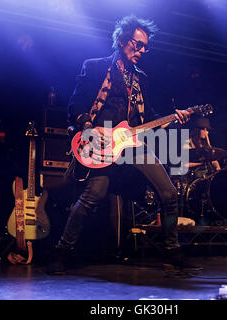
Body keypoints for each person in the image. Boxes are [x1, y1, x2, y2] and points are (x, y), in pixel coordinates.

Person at [46, 15, 201, 274]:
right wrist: (89, 127)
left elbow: (148, 119)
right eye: (137, 44)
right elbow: (76, 103)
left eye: (145, 47)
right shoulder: (95, 67)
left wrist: (174, 117)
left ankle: (173, 252)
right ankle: (61, 251)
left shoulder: (141, 79)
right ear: (121, 40)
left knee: (169, 193)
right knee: (92, 196)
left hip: (132, 143)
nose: (141, 50)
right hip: (101, 143)